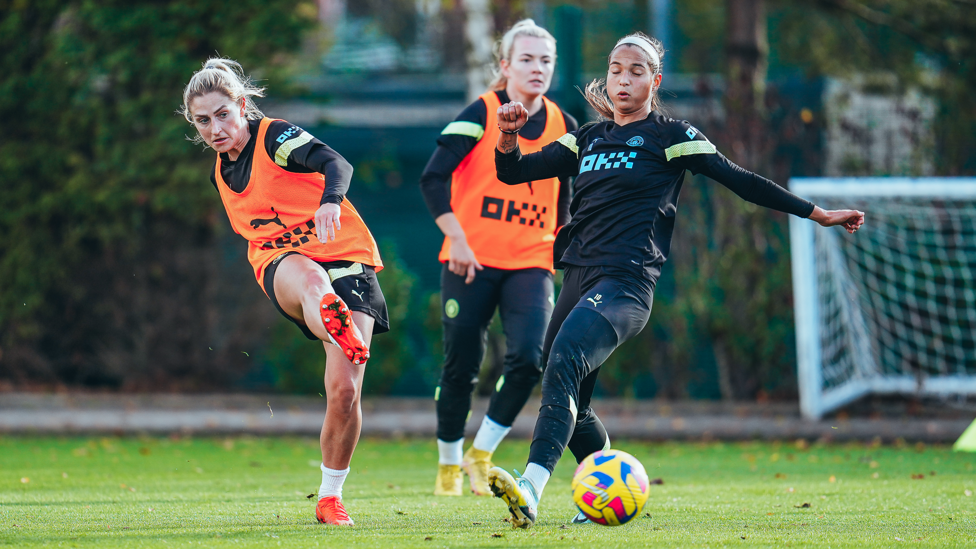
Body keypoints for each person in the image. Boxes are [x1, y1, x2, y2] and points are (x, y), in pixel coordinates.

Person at [486, 32, 865, 528]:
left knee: (564, 360)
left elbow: (741, 180)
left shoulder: (672, 136)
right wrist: (508, 133)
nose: (624, 78)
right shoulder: (586, 138)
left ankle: (531, 489)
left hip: (624, 285)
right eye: (617, 69)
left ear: (654, 80)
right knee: (571, 401)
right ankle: (604, 487)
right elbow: (513, 172)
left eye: (637, 70)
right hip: (578, 276)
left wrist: (816, 213)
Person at [181, 58, 388, 526]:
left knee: (343, 392)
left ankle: (330, 497)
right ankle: (337, 325)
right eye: (203, 120)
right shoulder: (221, 171)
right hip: (283, 261)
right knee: (313, 282)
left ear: (243, 106)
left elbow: (337, 163)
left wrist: (330, 202)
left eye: (222, 115)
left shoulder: (274, 138)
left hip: (346, 251)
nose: (215, 128)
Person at [418, 19, 578, 497]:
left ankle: (481, 453)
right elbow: (432, 179)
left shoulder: (564, 124)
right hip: (470, 261)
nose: (537, 68)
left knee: (531, 358)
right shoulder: (483, 112)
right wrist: (458, 240)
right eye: (526, 59)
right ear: (505, 66)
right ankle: (448, 463)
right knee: (460, 367)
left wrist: (562, 248)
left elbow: (566, 197)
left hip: (530, 261)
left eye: (546, 60)